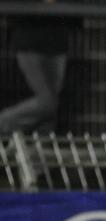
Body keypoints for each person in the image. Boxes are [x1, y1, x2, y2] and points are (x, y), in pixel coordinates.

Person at [0, 0, 72, 134]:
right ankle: (3, 122)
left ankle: (41, 148)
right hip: (29, 42)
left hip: (57, 41)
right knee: (47, 103)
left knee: (50, 110)